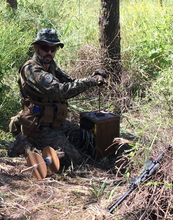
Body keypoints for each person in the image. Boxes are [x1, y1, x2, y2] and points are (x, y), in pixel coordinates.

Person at [8, 28, 106, 163]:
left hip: (55, 122)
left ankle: (38, 146)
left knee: (87, 140)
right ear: (36, 47)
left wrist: (92, 78)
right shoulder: (32, 70)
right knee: (75, 159)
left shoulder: (50, 66)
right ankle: (27, 145)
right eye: (45, 47)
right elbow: (60, 91)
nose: (49, 52)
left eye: (53, 49)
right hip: (39, 127)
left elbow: (71, 83)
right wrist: (91, 81)